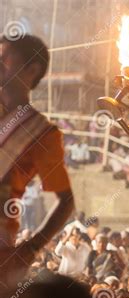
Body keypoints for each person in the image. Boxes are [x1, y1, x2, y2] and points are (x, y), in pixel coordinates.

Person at [0, 34, 74, 284]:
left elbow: (66, 200)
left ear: (31, 70)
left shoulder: (42, 133)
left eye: (4, 60)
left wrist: (32, 248)